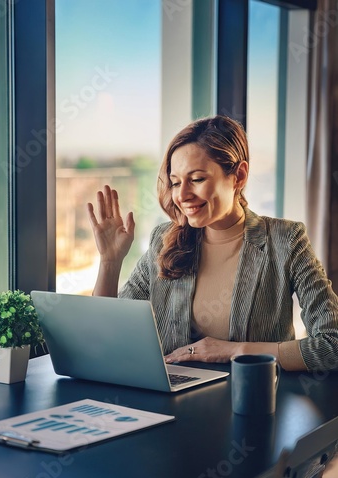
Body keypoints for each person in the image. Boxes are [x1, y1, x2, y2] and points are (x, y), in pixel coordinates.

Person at [86, 115, 338, 373]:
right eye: (175, 182)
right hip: (169, 402)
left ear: (238, 176)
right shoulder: (163, 241)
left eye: (196, 179)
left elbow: (333, 345)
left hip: (251, 403)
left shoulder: (286, 240)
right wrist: (109, 261)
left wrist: (234, 351)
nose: (182, 195)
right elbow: (105, 335)